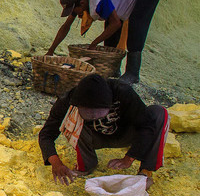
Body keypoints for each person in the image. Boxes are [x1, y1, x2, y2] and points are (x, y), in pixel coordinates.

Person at [39, 74, 170, 187]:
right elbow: (46, 134)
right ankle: (86, 165)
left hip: (127, 134)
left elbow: (146, 126)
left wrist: (129, 158)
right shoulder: (69, 99)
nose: (95, 117)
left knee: (159, 113)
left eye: (98, 114)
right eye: (90, 114)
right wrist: (56, 163)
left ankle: (145, 172)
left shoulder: (122, 91)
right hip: (95, 137)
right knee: (72, 115)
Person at [46, 0, 165, 84]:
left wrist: (94, 44)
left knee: (136, 24)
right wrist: (51, 51)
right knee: (109, 25)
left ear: (82, 3)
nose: (77, 15)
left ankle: (132, 73)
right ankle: (113, 68)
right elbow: (66, 26)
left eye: (76, 12)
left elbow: (116, 24)